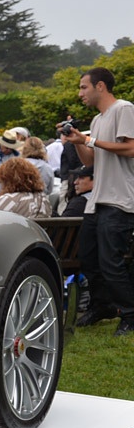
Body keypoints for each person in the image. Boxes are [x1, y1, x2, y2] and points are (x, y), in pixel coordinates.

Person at [60, 66, 134, 335]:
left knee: (111, 262)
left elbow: (131, 148)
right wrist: (78, 141)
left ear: (100, 86)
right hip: (98, 200)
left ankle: (129, 314)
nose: (80, 93)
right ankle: (102, 305)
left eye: (84, 87)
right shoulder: (97, 120)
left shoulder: (124, 109)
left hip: (120, 198)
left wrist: (90, 140)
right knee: (88, 258)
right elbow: (90, 161)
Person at [21, 136, 59, 209]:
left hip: (18, 204)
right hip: (39, 204)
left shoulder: (17, 165)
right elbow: (49, 190)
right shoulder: (47, 168)